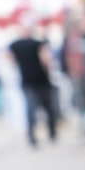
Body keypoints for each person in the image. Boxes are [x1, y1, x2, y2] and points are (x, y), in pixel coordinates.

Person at [9, 16, 57, 148]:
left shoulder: (15, 45)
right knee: (47, 108)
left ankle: (33, 138)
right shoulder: (37, 43)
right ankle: (50, 134)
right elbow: (46, 60)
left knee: (31, 109)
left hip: (28, 81)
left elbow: (10, 59)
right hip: (40, 79)